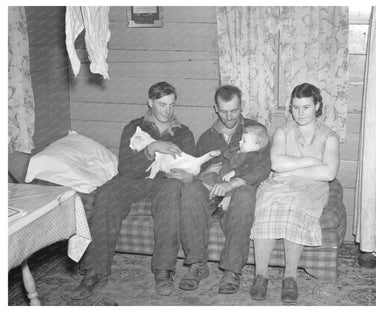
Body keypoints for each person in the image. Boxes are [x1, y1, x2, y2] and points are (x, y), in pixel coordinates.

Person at [71, 81, 198, 299]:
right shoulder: (134, 127)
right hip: (133, 179)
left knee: (171, 192)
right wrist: (150, 149)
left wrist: (189, 175)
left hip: (164, 181)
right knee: (106, 192)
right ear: (150, 102)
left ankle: (163, 271)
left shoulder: (183, 133)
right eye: (161, 104)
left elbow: (192, 167)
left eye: (171, 105)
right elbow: (126, 169)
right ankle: (95, 270)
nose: (167, 110)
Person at [249, 83, 340, 303]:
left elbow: (328, 173)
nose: (300, 113)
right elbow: (276, 163)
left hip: (312, 187)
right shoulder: (282, 132)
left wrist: (293, 168)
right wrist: (310, 161)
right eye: (296, 107)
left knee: (295, 204)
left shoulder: (329, 137)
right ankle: (260, 276)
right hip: (280, 183)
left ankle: (290, 278)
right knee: (267, 203)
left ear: (317, 106)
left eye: (306, 107)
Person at [177, 85, 271, 294]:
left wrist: (234, 182)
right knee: (191, 191)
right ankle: (197, 264)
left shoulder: (256, 131)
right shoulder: (207, 137)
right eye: (224, 111)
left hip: (240, 189)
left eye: (234, 110)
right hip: (213, 189)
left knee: (246, 195)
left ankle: (231, 270)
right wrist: (204, 171)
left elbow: (265, 166)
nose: (229, 116)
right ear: (216, 109)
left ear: (241, 106)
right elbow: (195, 168)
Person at [199, 125, 270, 219]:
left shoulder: (253, 156)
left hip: (234, 184)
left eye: (244, 141)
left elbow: (246, 167)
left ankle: (217, 215)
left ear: (257, 145)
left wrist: (234, 172)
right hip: (223, 178)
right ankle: (211, 207)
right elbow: (229, 158)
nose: (240, 142)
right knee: (209, 181)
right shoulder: (239, 151)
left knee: (226, 200)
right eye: (241, 139)